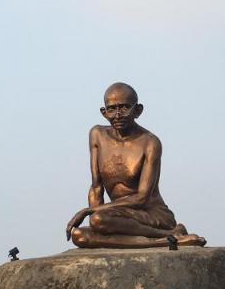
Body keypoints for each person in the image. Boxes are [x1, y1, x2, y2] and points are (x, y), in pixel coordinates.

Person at [66, 83, 205, 249]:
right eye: (112, 109)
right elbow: (96, 188)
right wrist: (96, 213)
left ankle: (166, 233)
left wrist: (92, 213)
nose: (118, 115)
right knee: (79, 235)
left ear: (138, 110)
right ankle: (168, 238)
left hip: (150, 214)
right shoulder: (97, 135)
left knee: (98, 219)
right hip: (117, 217)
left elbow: (141, 198)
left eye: (124, 108)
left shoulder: (150, 142)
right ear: (104, 112)